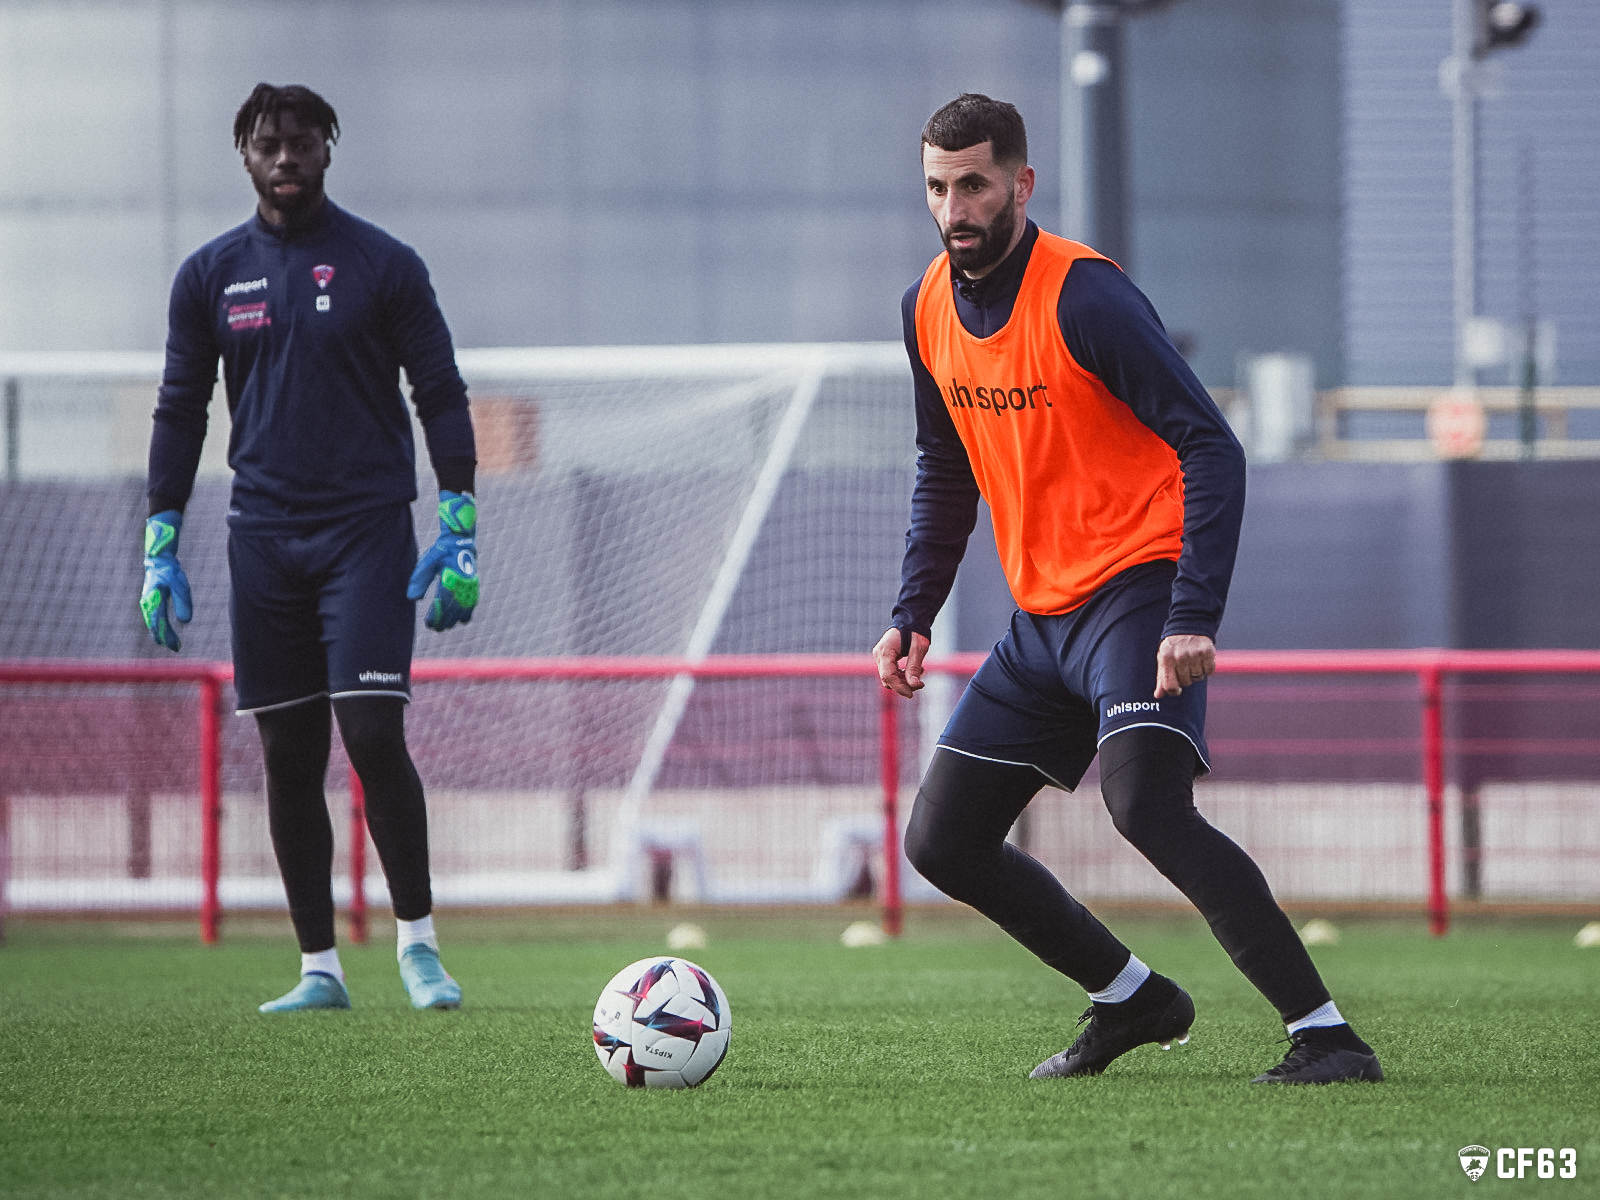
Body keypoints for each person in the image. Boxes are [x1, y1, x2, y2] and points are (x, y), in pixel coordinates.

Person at [873, 94, 1381, 1084]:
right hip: (1042, 620)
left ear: (1021, 183)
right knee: (942, 839)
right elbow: (944, 467)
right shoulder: (923, 308)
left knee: (1145, 802)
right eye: (936, 187)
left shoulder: (1086, 297)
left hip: (1137, 594)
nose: (953, 208)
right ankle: (1132, 999)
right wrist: (911, 612)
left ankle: (1325, 1036)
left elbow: (1211, 446)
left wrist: (1193, 611)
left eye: (973, 183)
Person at [140, 83, 480, 1013]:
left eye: (300, 142)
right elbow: (180, 407)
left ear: (329, 148)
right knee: (289, 757)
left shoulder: (385, 265)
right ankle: (318, 969)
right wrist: (158, 537)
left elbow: (441, 393)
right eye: (265, 144)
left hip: (368, 533)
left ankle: (418, 946)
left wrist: (459, 523)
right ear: (244, 156)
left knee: (372, 733)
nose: (284, 157)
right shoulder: (210, 276)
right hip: (263, 541)